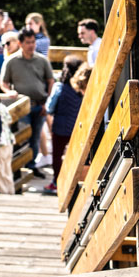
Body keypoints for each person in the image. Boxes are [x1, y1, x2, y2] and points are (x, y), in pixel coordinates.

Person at [0, 27, 54, 178]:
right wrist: (9, 92)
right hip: (21, 107)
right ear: (20, 43)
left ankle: (31, 165)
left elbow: (50, 81)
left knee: (35, 138)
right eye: (28, 42)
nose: (31, 45)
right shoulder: (11, 61)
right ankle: (18, 168)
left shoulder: (42, 60)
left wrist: (47, 103)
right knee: (20, 137)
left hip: (39, 105)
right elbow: (3, 82)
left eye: (33, 42)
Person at [43, 57, 92, 195]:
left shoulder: (60, 87)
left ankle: (57, 182)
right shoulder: (83, 87)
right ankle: (76, 180)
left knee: (57, 156)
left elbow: (50, 107)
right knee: (78, 155)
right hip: (78, 126)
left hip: (60, 126)